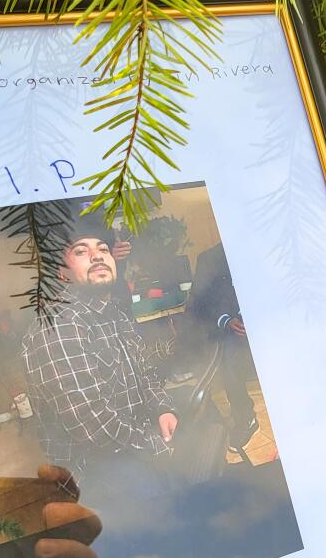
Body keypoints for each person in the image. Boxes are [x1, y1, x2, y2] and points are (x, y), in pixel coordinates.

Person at [21, 215, 179, 508]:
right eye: (81, 251)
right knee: (161, 507)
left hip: (129, 439)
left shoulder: (114, 313)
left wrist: (162, 407)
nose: (96, 256)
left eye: (103, 249)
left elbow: (142, 372)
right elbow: (93, 426)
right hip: (93, 466)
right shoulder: (59, 326)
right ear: (63, 273)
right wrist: (153, 445)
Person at [186, 243, 258, 447]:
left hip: (269, 321)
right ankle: (246, 417)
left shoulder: (260, 248)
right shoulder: (208, 258)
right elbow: (201, 303)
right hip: (233, 330)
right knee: (228, 355)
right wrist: (227, 320)